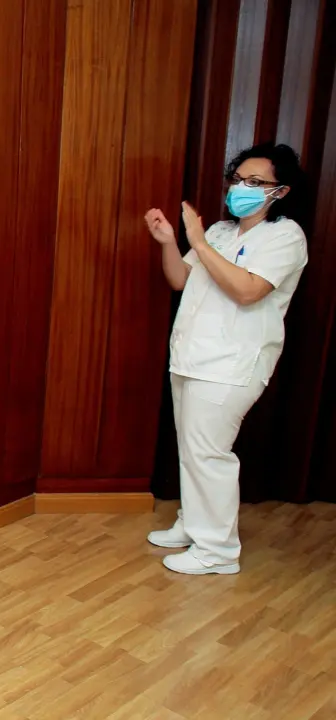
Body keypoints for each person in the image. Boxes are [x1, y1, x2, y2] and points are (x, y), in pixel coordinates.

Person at [144, 142, 309, 575]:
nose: (241, 188)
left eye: (255, 182)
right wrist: (170, 242)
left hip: (233, 364)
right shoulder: (219, 232)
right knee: (191, 449)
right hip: (191, 356)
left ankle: (217, 550)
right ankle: (192, 524)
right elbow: (180, 279)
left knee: (209, 453)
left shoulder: (285, 237)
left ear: (280, 191)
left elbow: (248, 291)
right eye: (237, 179)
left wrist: (198, 241)